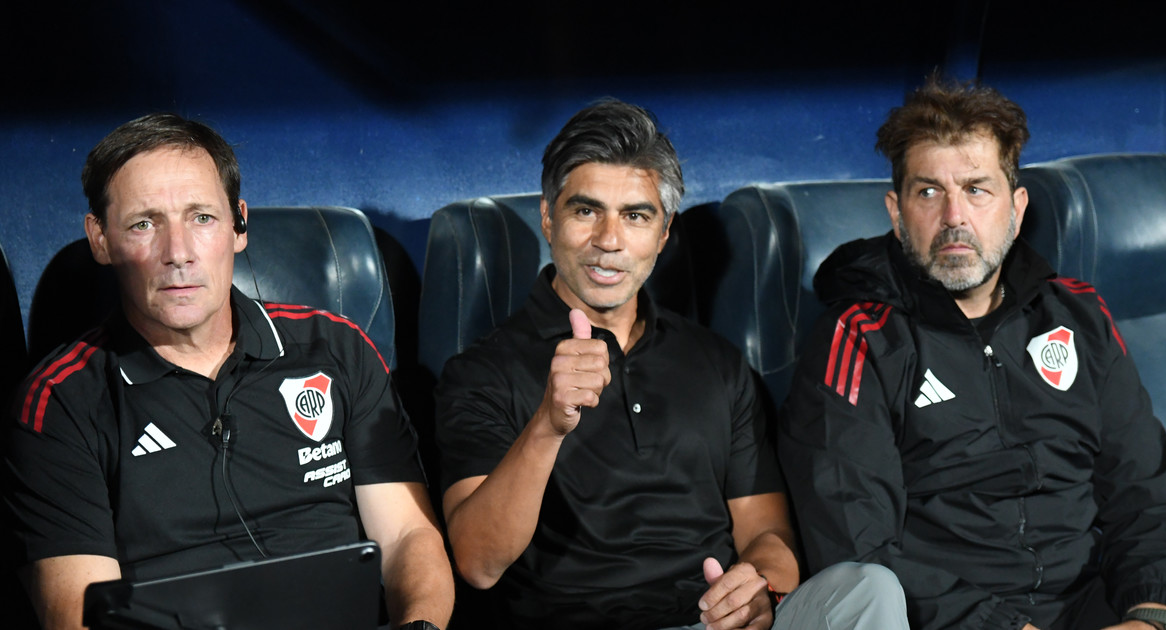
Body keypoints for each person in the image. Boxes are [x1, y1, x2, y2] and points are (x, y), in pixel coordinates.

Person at [435, 99, 908, 630]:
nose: (609, 241)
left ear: (662, 234)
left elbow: (766, 534)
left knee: (870, 588)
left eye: (635, 216)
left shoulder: (716, 362)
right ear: (549, 217)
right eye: (586, 211)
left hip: (707, 621)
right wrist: (547, 426)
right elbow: (478, 563)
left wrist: (759, 591)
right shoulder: (481, 373)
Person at [3, 114, 454, 630]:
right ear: (101, 239)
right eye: (144, 224)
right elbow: (79, 615)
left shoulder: (337, 348)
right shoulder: (61, 402)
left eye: (201, 217)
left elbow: (407, 538)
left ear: (239, 225)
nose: (177, 254)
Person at [778, 76, 1166, 630]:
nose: (954, 217)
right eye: (929, 192)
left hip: (1095, 607)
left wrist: (1151, 613)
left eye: (977, 189)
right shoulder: (860, 338)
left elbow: (1144, 497)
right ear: (897, 214)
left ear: (1017, 209)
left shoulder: (1079, 316)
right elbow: (857, 547)